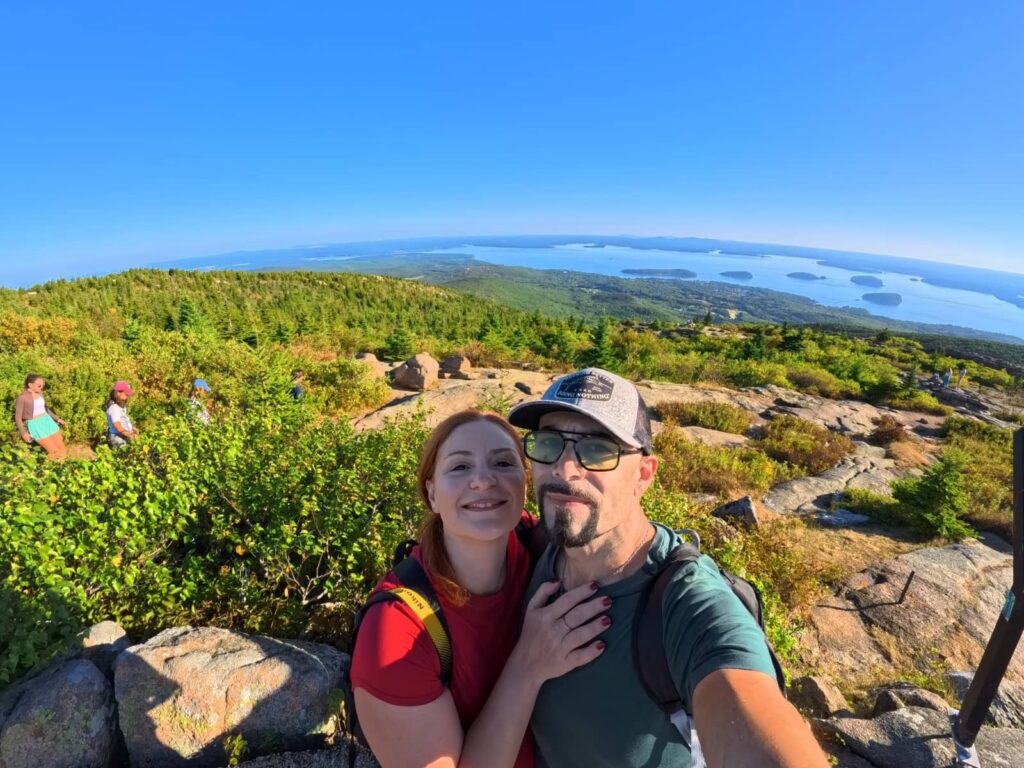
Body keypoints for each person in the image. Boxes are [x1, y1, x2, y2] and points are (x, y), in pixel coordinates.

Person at [508, 368, 829, 768]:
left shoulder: (687, 602)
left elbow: (748, 712)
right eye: (550, 442)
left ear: (644, 475)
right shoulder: (534, 549)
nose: (565, 469)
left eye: (598, 450)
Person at [351, 410, 611, 768]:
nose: (483, 480)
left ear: (525, 481)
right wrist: (527, 666)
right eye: (459, 467)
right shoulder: (397, 630)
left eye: (503, 463)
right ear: (431, 495)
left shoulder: (540, 544)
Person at [14, 374, 67, 460]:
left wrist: (57, 419)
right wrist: (24, 433)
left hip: (48, 421)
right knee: (55, 452)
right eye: (39, 385)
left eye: (43, 385)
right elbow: (17, 417)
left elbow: (45, 409)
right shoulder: (22, 398)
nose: (42, 387)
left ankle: (61, 469)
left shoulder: (40, 393)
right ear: (30, 385)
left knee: (63, 451)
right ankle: (46, 470)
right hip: (36, 425)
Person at [105, 380, 138, 448]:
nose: (128, 395)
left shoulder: (120, 405)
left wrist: (132, 428)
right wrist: (131, 436)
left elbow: (123, 419)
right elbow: (118, 426)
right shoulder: (114, 407)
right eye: (126, 393)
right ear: (118, 393)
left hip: (123, 435)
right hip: (117, 437)